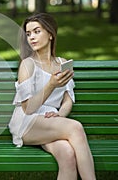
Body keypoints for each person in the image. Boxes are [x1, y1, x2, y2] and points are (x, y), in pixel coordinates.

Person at [8, 13, 96, 180]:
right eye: (28, 34)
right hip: (27, 121)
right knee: (76, 128)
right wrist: (51, 85)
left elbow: (68, 99)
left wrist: (60, 114)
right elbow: (28, 108)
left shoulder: (62, 63)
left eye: (36, 31)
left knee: (67, 155)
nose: (31, 37)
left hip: (50, 120)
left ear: (50, 34)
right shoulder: (27, 64)